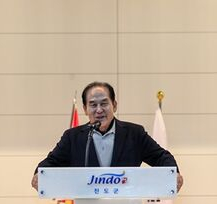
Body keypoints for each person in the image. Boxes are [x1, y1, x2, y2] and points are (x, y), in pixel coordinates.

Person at [32, 81, 183, 191]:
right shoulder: (73, 137)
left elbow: (161, 157)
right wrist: (39, 174)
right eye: (93, 105)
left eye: (104, 103)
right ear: (85, 109)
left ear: (114, 105)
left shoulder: (134, 134)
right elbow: (51, 162)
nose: (99, 110)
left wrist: (173, 173)